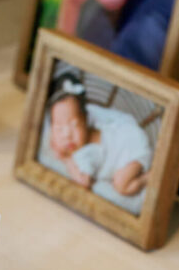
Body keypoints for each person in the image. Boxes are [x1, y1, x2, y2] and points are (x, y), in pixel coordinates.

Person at [45, 73, 153, 204]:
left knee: (121, 185)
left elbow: (83, 182)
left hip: (133, 149)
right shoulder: (80, 132)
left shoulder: (86, 154)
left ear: (86, 120)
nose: (67, 135)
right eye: (59, 129)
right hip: (124, 140)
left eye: (74, 125)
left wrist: (67, 159)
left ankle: (149, 177)